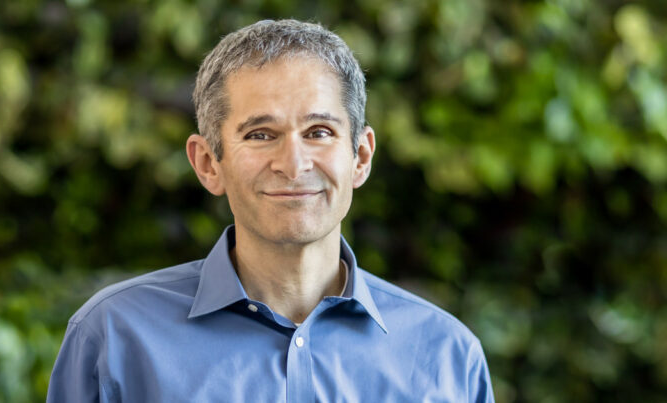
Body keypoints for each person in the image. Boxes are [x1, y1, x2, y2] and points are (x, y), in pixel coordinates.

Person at [47, 19, 495, 402]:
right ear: (208, 163)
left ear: (360, 157)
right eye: (261, 134)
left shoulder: (446, 355)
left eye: (319, 132)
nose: (294, 164)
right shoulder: (113, 337)